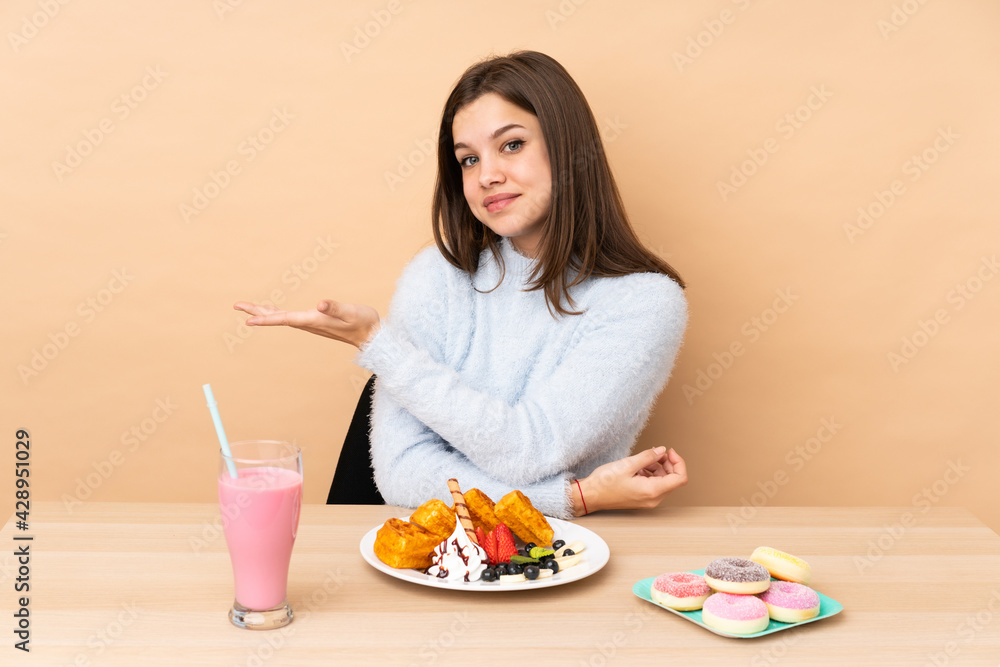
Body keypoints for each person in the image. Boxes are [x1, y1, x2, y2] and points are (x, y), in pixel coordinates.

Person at [235, 51, 689, 519]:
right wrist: (572, 498)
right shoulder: (436, 275)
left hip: (560, 561)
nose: (487, 176)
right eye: (468, 159)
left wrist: (381, 347)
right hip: (428, 561)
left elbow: (526, 449)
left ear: (569, 147)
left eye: (511, 145)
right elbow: (402, 473)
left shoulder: (645, 303)